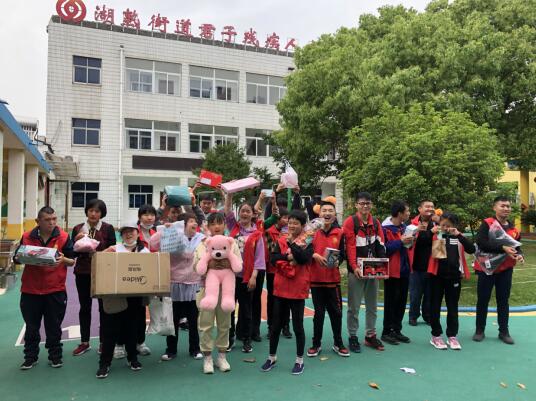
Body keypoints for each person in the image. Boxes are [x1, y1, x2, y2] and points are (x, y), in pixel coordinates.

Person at [16, 206, 76, 370]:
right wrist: (22, 257)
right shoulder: (27, 237)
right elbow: (17, 258)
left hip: (55, 290)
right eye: (47, 220)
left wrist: (63, 260)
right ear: (38, 221)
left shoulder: (63, 236)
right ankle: (30, 357)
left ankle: (55, 356)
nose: (52, 223)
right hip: (30, 290)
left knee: (54, 326)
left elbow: (72, 261)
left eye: (54, 219)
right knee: (31, 327)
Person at [261, 210, 313, 375]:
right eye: (290, 222)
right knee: (275, 325)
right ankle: (271, 357)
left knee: (298, 327)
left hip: (297, 289)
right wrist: (289, 258)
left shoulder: (308, 240)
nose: (291, 225)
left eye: (296, 223)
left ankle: (299, 360)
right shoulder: (280, 240)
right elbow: (273, 259)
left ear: (303, 226)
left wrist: (292, 245)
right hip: (281, 288)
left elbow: (304, 258)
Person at [96, 223, 148, 379]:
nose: (128, 234)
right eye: (125, 232)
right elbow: (99, 262)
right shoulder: (114, 249)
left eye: (131, 231)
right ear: (121, 235)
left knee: (131, 328)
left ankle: (132, 358)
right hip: (114, 297)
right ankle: (104, 363)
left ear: (137, 233)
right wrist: (104, 253)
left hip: (135, 297)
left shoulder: (144, 251)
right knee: (110, 330)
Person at [150, 212, 204, 361]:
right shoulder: (173, 236)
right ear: (183, 225)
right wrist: (165, 231)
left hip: (193, 285)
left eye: (195, 221)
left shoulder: (201, 238)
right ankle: (171, 350)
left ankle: (195, 349)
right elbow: (152, 244)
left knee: (193, 320)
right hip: (175, 284)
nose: (195, 224)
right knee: (172, 320)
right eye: (191, 221)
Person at [194, 212, 242, 374]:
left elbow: (238, 265)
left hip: (226, 291)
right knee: (205, 324)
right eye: (213, 223)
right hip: (206, 290)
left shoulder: (232, 243)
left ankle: (222, 356)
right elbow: (196, 266)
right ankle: (207, 357)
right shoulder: (202, 244)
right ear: (208, 226)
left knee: (225, 324)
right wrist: (210, 265)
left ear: (224, 225)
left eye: (219, 223)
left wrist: (227, 263)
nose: (216, 226)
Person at [473, 196, 523, 344]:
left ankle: (504, 332)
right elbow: (481, 243)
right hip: (486, 269)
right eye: (502, 206)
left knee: (503, 301)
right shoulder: (487, 224)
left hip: (506, 270)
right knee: (483, 300)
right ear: (494, 207)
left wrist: (520, 255)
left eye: (508, 206)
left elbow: (517, 247)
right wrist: (503, 248)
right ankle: (479, 330)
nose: (506, 208)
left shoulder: (514, 230)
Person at [342, 192, 386, 353]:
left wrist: (382, 266)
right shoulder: (350, 222)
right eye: (362, 203)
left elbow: (380, 244)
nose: (365, 206)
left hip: (373, 269)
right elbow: (350, 247)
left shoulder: (376, 222)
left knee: (372, 305)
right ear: (356, 205)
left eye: (368, 203)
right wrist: (354, 267)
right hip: (356, 270)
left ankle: (370, 335)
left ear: (371, 205)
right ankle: (353, 336)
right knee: (354, 306)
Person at [71, 199, 116, 356]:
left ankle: (104, 342)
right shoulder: (78, 229)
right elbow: (72, 252)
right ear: (87, 212)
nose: (93, 214)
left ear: (102, 213)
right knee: (85, 307)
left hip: (102, 272)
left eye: (97, 211)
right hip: (82, 273)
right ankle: (84, 342)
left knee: (104, 308)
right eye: (91, 210)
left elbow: (113, 250)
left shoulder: (108, 228)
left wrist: (98, 252)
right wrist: (76, 241)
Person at [224, 193, 266, 353]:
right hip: (230, 277)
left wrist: (254, 277)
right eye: (242, 211)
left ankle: (247, 341)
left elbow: (259, 258)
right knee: (229, 310)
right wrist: (229, 195)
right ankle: (229, 339)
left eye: (248, 211)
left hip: (246, 278)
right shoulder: (233, 228)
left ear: (252, 214)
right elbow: (227, 210)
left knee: (247, 311)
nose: (245, 214)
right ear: (239, 213)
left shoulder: (257, 234)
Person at [428, 212, 475, 350]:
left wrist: (459, 235)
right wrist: (434, 233)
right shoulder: (435, 235)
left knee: (453, 307)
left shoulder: (458, 237)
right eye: (443, 225)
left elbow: (471, 249)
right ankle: (436, 335)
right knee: (435, 306)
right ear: (439, 224)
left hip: (454, 277)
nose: (446, 228)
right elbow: (423, 245)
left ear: (455, 225)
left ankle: (452, 336)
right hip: (436, 277)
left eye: (449, 225)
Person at [307, 201, 349, 357]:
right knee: (318, 314)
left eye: (330, 210)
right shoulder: (311, 232)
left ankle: (338, 343)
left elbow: (343, 254)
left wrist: (339, 261)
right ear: (319, 214)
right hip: (316, 280)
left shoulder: (340, 232)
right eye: (324, 210)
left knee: (336, 313)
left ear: (334, 215)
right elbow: (304, 249)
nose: (327, 213)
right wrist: (314, 255)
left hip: (333, 281)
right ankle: (315, 344)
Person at [381, 200, 413, 345]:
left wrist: (410, 240)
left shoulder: (404, 227)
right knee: (390, 302)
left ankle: (397, 330)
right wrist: (401, 241)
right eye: (407, 211)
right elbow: (384, 249)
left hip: (404, 269)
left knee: (401, 302)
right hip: (391, 271)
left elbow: (407, 247)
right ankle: (386, 332)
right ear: (399, 213)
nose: (409, 213)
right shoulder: (384, 229)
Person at [408, 200, 438, 326]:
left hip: (432, 264)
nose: (430, 208)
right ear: (419, 209)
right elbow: (411, 241)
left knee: (430, 294)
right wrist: (430, 232)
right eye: (427, 206)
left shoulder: (437, 223)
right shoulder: (411, 224)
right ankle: (413, 316)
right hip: (415, 265)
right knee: (415, 294)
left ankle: (428, 316)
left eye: (432, 207)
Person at [265, 207, 292, 339]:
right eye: (285, 218)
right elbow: (272, 251)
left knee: (287, 299)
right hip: (273, 271)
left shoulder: (290, 232)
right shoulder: (269, 232)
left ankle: (286, 326)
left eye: (288, 218)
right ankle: (271, 327)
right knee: (272, 299)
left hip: (287, 270)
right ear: (278, 218)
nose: (287, 221)